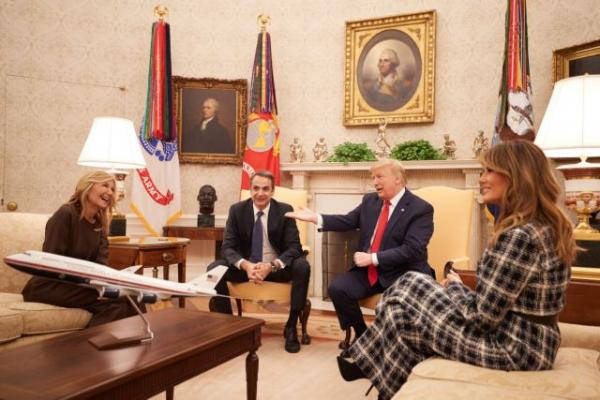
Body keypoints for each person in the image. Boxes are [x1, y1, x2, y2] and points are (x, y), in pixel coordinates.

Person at [336, 140, 576, 400]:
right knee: (402, 310)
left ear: (516, 176)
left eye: (489, 171)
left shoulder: (519, 237)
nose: (482, 178)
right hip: (527, 339)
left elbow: (481, 318)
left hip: (512, 347)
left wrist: (457, 288)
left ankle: (365, 359)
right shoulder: (540, 227)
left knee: (408, 286)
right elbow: (496, 305)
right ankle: (384, 385)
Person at [286, 159, 434, 339]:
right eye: (373, 177)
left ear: (398, 179)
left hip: (402, 273)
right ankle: (362, 335)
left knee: (396, 307)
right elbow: (348, 221)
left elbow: (412, 250)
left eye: (379, 177)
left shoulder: (420, 209)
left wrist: (372, 258)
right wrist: (316, 218)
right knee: (338, 289)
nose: (375, 182)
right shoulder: (370, 200)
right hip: (370, 272)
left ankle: (396, 343)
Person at [206, 170, 310, 353]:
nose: (260, 193)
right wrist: (246, 265)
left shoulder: (284, 210)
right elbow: (227, 248)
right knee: (214, 269)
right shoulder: (237, 210)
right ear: (250, 189)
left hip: (275, 269)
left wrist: (271, 266)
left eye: (265, 189)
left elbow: (295, 247)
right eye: (256, 188)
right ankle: (229, 327)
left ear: (272, 191)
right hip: (247, 268)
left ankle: (291, 326)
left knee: (302, 266)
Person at [22, 171, 143, 327]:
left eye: (113, 189)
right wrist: (89, 285)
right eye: (105, 185)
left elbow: (101, 264)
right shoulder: (66, 214)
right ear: (88, 186)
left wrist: (108, 283)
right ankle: (87, 342)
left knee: (133, 296)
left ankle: (142, 338)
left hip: (80, 285)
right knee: (120, 300)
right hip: (48, 286)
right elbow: (52, 261)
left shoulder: (100, 223)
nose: (110, 192)